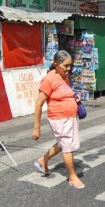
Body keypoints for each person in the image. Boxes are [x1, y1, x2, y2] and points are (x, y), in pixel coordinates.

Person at [32, 50, 85, 189]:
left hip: (70, 117)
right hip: (59, 119)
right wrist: (37, 128)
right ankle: (72, 177)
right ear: (56, 64)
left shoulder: (64, 76)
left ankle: (43, 161)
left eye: (70, 66)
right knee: (68, 147)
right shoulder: (49, 79)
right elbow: (38, 105)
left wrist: (74, 97)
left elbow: (64, 92)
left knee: (63, 143)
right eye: (65, 66)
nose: (68, 69)